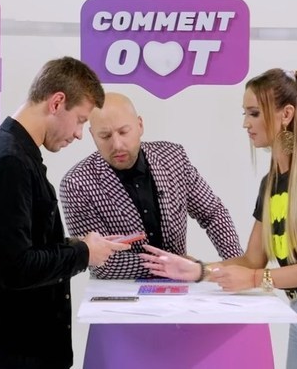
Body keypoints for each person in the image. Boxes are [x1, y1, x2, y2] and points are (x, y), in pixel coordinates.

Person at [140, 68, 297, 369]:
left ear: (286, 114)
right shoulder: (271, 182)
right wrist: (198, 270)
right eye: (245, 113)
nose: (246, 123)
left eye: (254, 113)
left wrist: (257, 280)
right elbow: (253, 259)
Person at [0, 56, 130, 369]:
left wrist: (80, 245)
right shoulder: (10, 162)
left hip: (18, 345)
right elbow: (16, 267)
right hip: (18, 350)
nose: (79, 134)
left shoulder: (6, 152)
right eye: (80, 120)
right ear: (57, 102)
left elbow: (20, 244)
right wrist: (84, 254)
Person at [60, 92, 243, 279]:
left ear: (140, 125)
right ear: (92, 135)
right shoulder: (77, 183)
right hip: (118, 289)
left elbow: (213, 213)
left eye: (124, 132)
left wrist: (237, 265)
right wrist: (175, 266)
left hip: (180, 286)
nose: (117, 145)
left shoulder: (173, 158)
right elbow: (101, 263)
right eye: (105, 136)